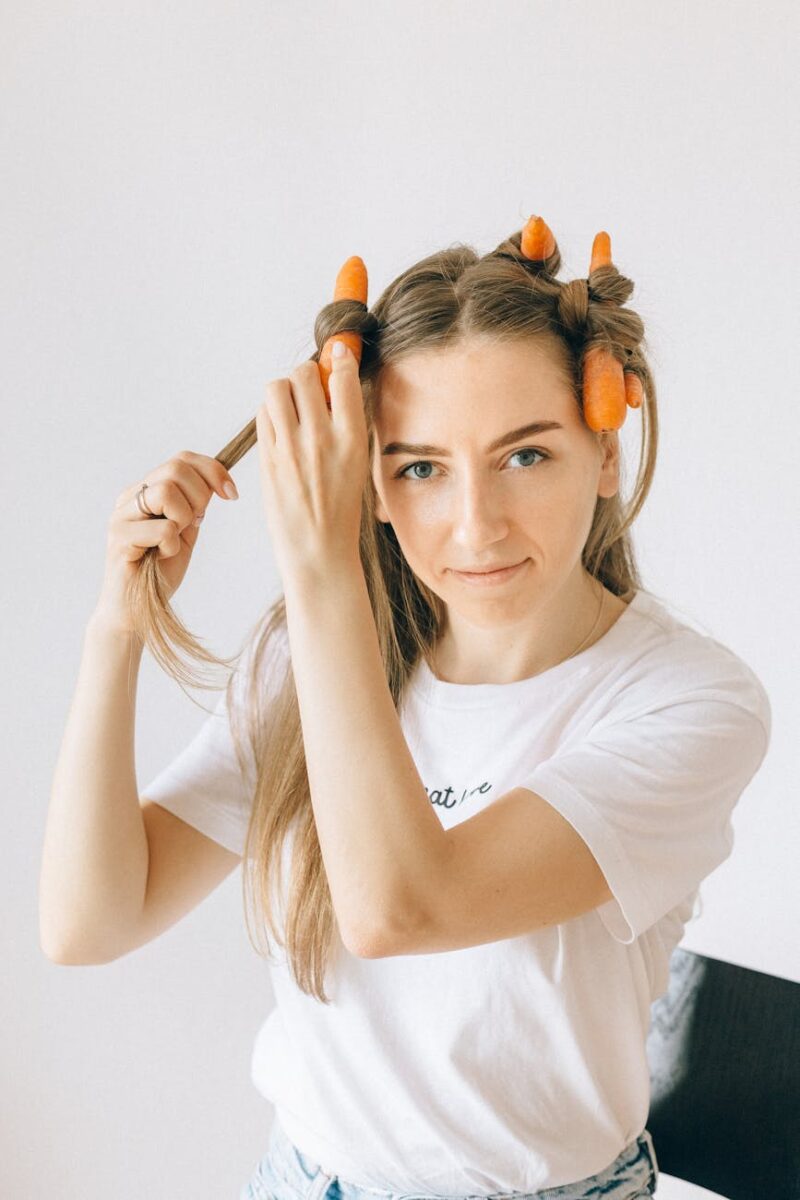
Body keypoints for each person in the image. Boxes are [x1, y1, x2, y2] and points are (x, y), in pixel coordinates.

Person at [41, 218, 771, 1200]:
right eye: (419, 467)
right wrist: (115, 624)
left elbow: (400, 906)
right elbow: (88, 923)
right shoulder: (325, 655)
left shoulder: (686, 704)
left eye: (525, 456)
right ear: (371, 485)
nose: (474, 524)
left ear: (603, 454)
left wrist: (321, 569)